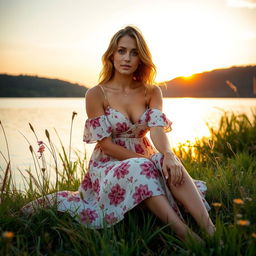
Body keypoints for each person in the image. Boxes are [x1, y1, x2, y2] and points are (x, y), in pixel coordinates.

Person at [21, 25, 215, 242]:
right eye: (122, 51)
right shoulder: (96, 94)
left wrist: (168, 155)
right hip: (108, 164)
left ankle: (211, 231)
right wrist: (148, 162)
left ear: (141, 59)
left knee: (167, 161)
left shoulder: (151, 91)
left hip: (145, 155)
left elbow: (158, 130)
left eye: (134, 53)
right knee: (146, 165)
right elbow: (106, 145)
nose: (127, 58)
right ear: (111, 55)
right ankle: (185, 235)